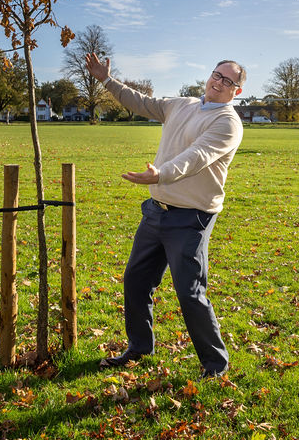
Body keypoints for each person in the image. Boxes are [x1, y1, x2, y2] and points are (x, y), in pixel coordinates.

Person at [86, 53, 245, 378]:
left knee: (189, 292)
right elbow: (141, 102)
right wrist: (106, 80)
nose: (218, 82)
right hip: (156, 212)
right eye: (217, 74)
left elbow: (197, 156)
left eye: (228, 80)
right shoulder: (182, 104)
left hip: (191, 219)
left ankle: (215, 364)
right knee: (136, 279)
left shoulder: (228, 123)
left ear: (236, 91)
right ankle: (140, 346)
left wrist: (161, 174)